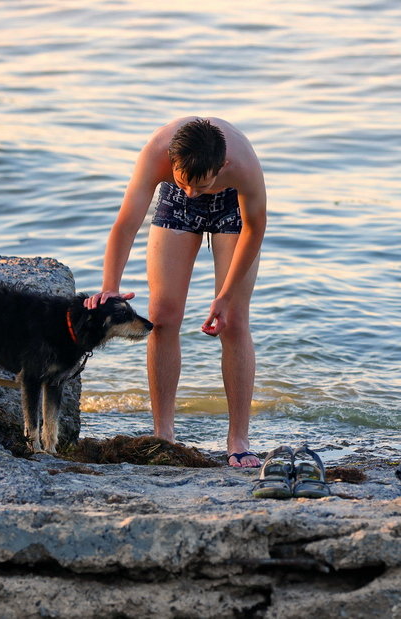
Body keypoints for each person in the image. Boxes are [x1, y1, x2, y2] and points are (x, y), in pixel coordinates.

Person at [85, 117, 266, 467]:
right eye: (185, 182)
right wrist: (110, 287)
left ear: (223, 165)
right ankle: (163, 433)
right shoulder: (158, 153)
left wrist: (225, 296)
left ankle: (238, 438)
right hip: (176, 211)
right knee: (164, 317)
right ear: (172, 160)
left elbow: (255, 229)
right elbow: (126, 223)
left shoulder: (243, 165)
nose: (192, 194)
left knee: (234, 321)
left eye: (200, 186)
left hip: (232, 207)